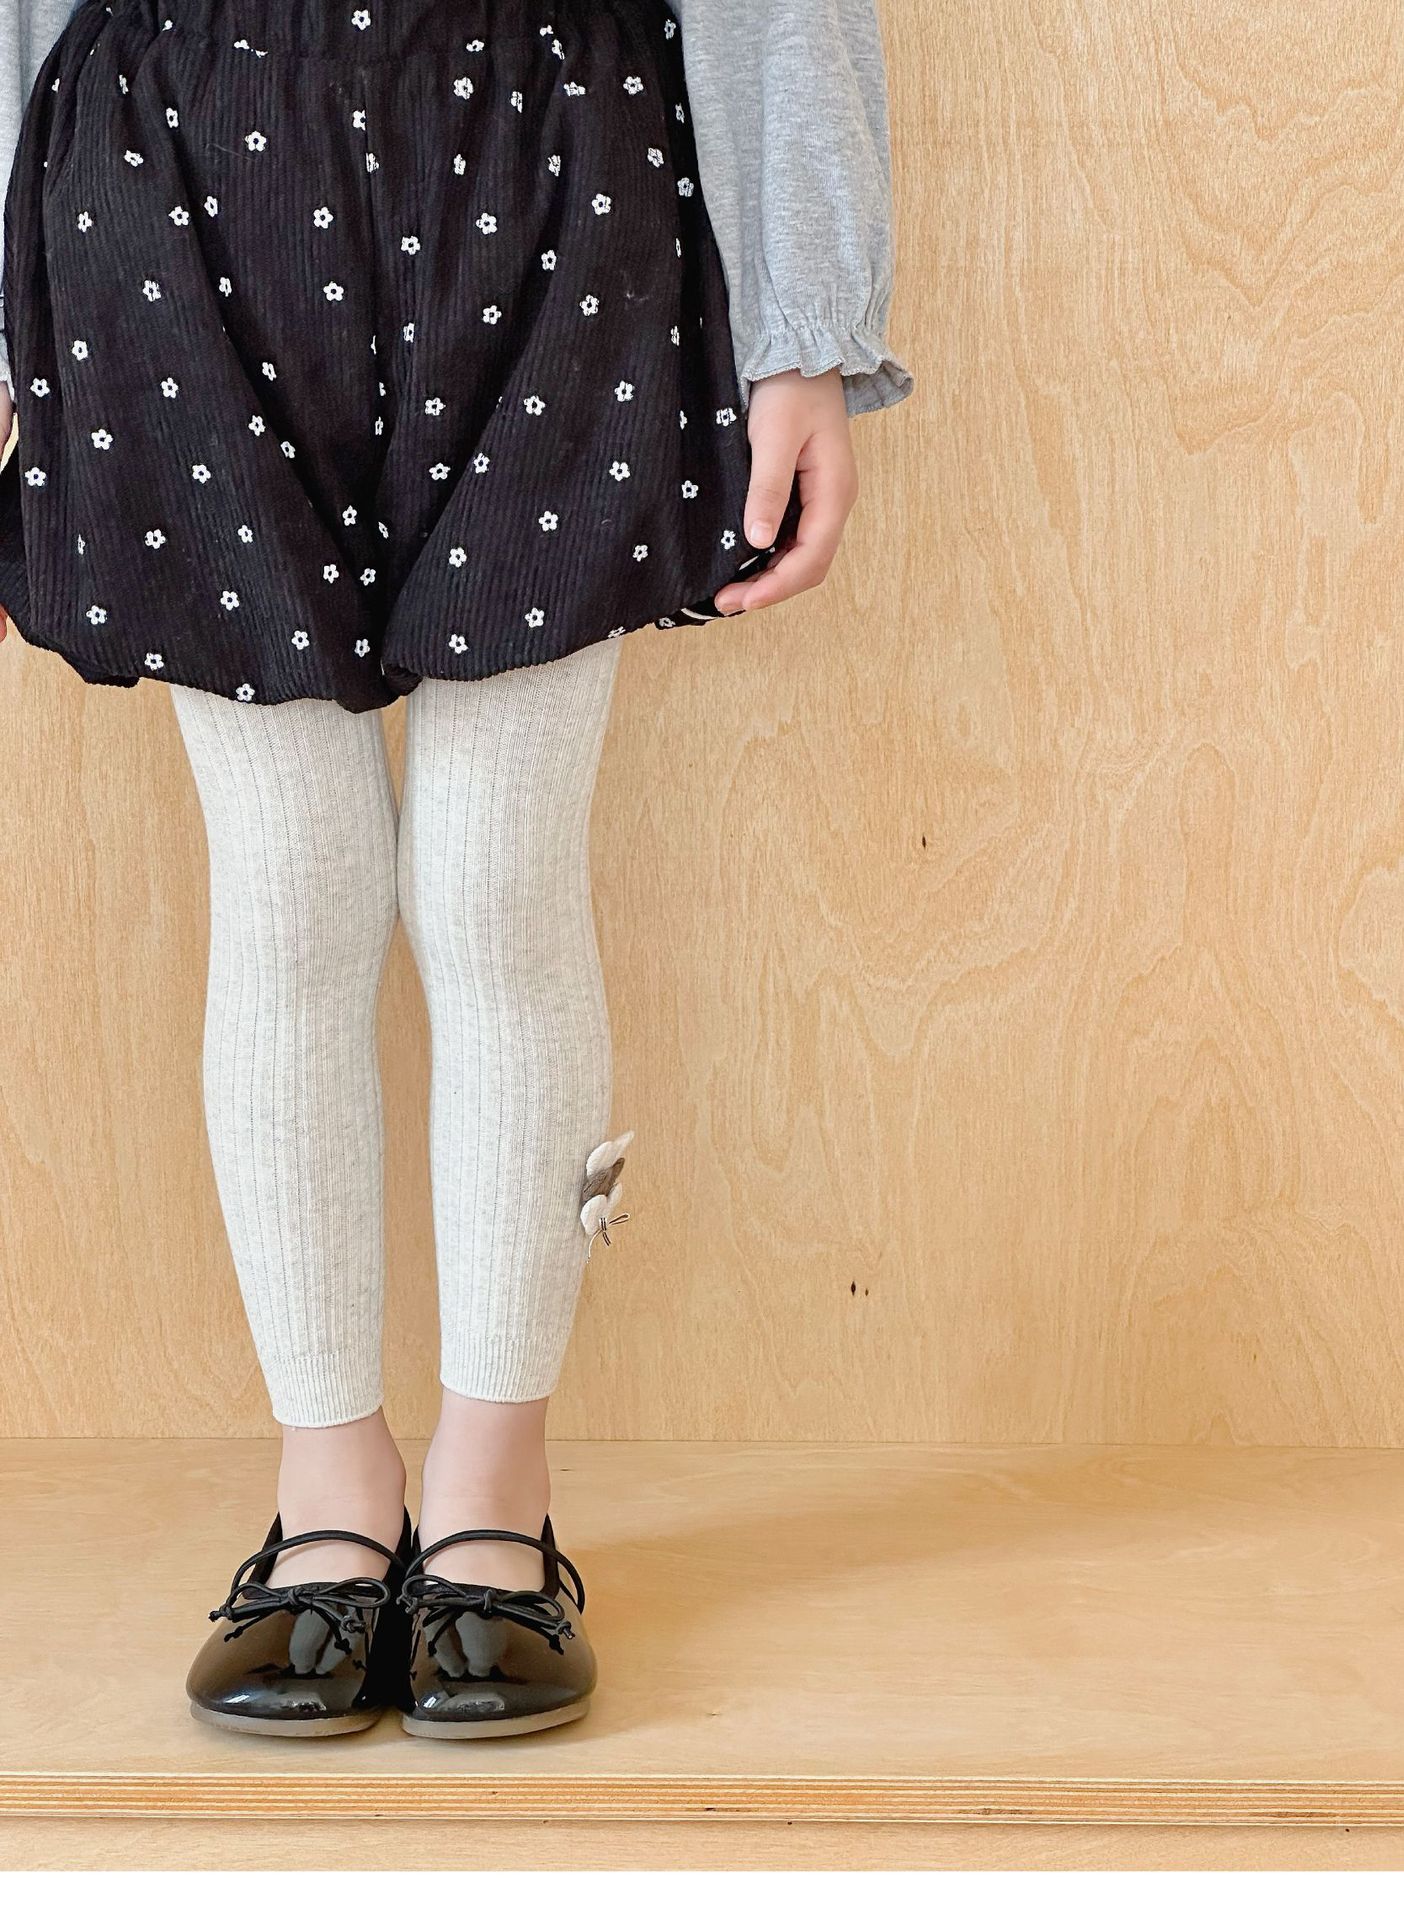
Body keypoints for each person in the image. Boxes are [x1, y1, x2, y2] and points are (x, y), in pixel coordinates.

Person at [0, 0, 912, 1740]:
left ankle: (498, 1486)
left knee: (499, 887)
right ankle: (328, 1488)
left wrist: (803, 324)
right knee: (291, 890)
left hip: (558, 152)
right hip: (174, 167)